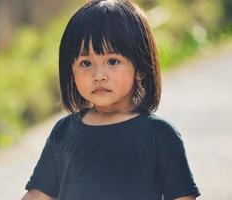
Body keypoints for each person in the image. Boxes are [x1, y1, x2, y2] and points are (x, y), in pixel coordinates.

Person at [21, 0, 201, 199]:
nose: (99, 75)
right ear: (71, 72)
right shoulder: (64, 132)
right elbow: (38, 195)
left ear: (140, 68)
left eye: (112, 61)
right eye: (86, 63)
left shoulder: (160, 135)